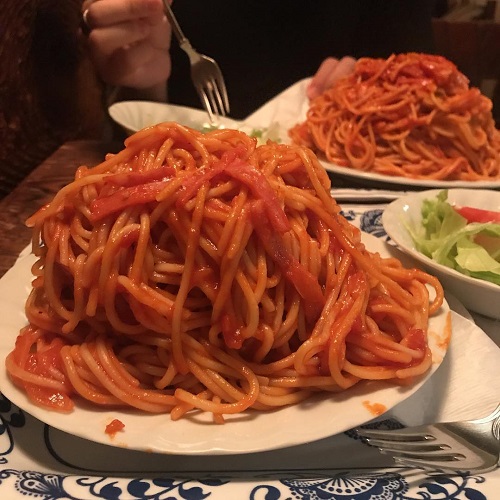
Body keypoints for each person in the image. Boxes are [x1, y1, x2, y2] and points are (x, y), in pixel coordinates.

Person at [82, 0, 437, 119]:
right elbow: (132, 106)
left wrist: (375, 83)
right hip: (171, 161)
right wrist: (141, 83)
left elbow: (425, 84)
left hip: (352, 189)